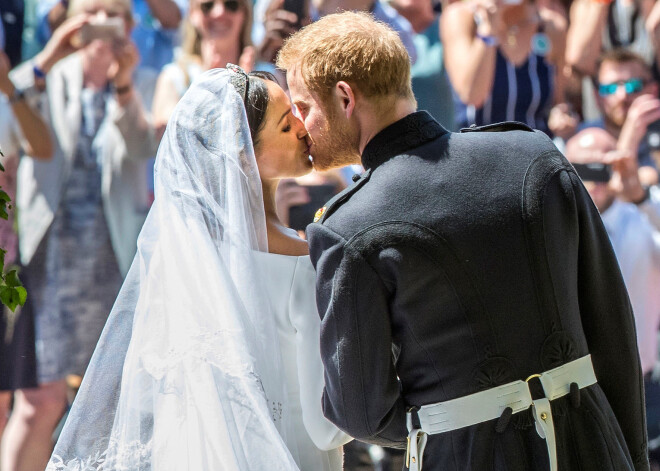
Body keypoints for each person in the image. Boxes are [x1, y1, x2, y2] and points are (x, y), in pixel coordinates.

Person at [277, 11, 649, 470]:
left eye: (304, 107)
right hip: (593, 447)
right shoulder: (533, 155)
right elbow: (612, 325)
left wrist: (454, 418)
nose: (301, 126)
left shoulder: (346, 227)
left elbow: (361, 410)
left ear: (345, 97)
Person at [46, 66, 350, 471]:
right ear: (242, 154)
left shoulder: (184, 261)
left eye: (295, 110)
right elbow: (326, 427)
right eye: (285, 123)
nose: (302, 125)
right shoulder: (304, 263)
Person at [2, 1, 158, 469]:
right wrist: (49, 55)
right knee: (39, 401)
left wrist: (124, 84)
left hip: (114, 263)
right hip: (48, 261)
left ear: (130, 26)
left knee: (112, 402)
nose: (104, 24)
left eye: (115, 14)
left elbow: (141, 147)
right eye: (92, 11)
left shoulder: (143, 79)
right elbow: (8, 122)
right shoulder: (49, 75)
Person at [565, 127, 660, 468]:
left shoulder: (644, 213)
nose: (595, 180)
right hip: (573, 394)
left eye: (603, 167)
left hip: (642, 388)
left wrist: (641, 198)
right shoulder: (551, 223)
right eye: (583, 169)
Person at [441, 0, 574, 138]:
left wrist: (561, 116)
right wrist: (488, 28)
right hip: (477, 151)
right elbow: (472, 95)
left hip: (535, 151)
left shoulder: (551, 27)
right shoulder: (460, 17)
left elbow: (558, 102)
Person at [151, 0, 255, 140]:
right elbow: (166, 136)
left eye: (231, 4)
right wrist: (206, 90)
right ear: (192, 13)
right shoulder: (174, 77)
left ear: (245, 14)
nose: (219, 13)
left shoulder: (267, 76)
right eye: (207, 6)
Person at [590, 48, 660, 185]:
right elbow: (614, 189)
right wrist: (630, 135)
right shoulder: (582, 137)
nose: (622, 96)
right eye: (610, 88)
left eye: (633, 86)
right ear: (597, 96)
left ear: (653, 90)